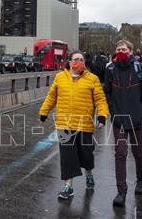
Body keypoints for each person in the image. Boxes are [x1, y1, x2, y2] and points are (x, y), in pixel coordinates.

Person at [39, 51, 110, 200]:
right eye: (76, 59)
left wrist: (102, 116)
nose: (79, 62)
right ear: (70, 62)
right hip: (64, 123)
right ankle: (68, 186)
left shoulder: (92, 79)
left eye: (81, 59)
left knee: (86, 154)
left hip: (84, 124)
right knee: (67, 156)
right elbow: (52, 96)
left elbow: (100, 99)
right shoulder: (60, 77)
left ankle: (89, 173)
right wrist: (44, 112)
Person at [104, 39, 142, 207]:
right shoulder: (111, 69)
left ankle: (141, 180)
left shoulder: (140, 68)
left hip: (137, 119)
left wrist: (141, 111)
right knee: (120, 153)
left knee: (138, 152)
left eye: (124, 49)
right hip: (119, 118)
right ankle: (121, 191)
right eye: (118, 49)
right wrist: (112, 110)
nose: (121, 51)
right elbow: (107, 93)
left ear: (130, 51)